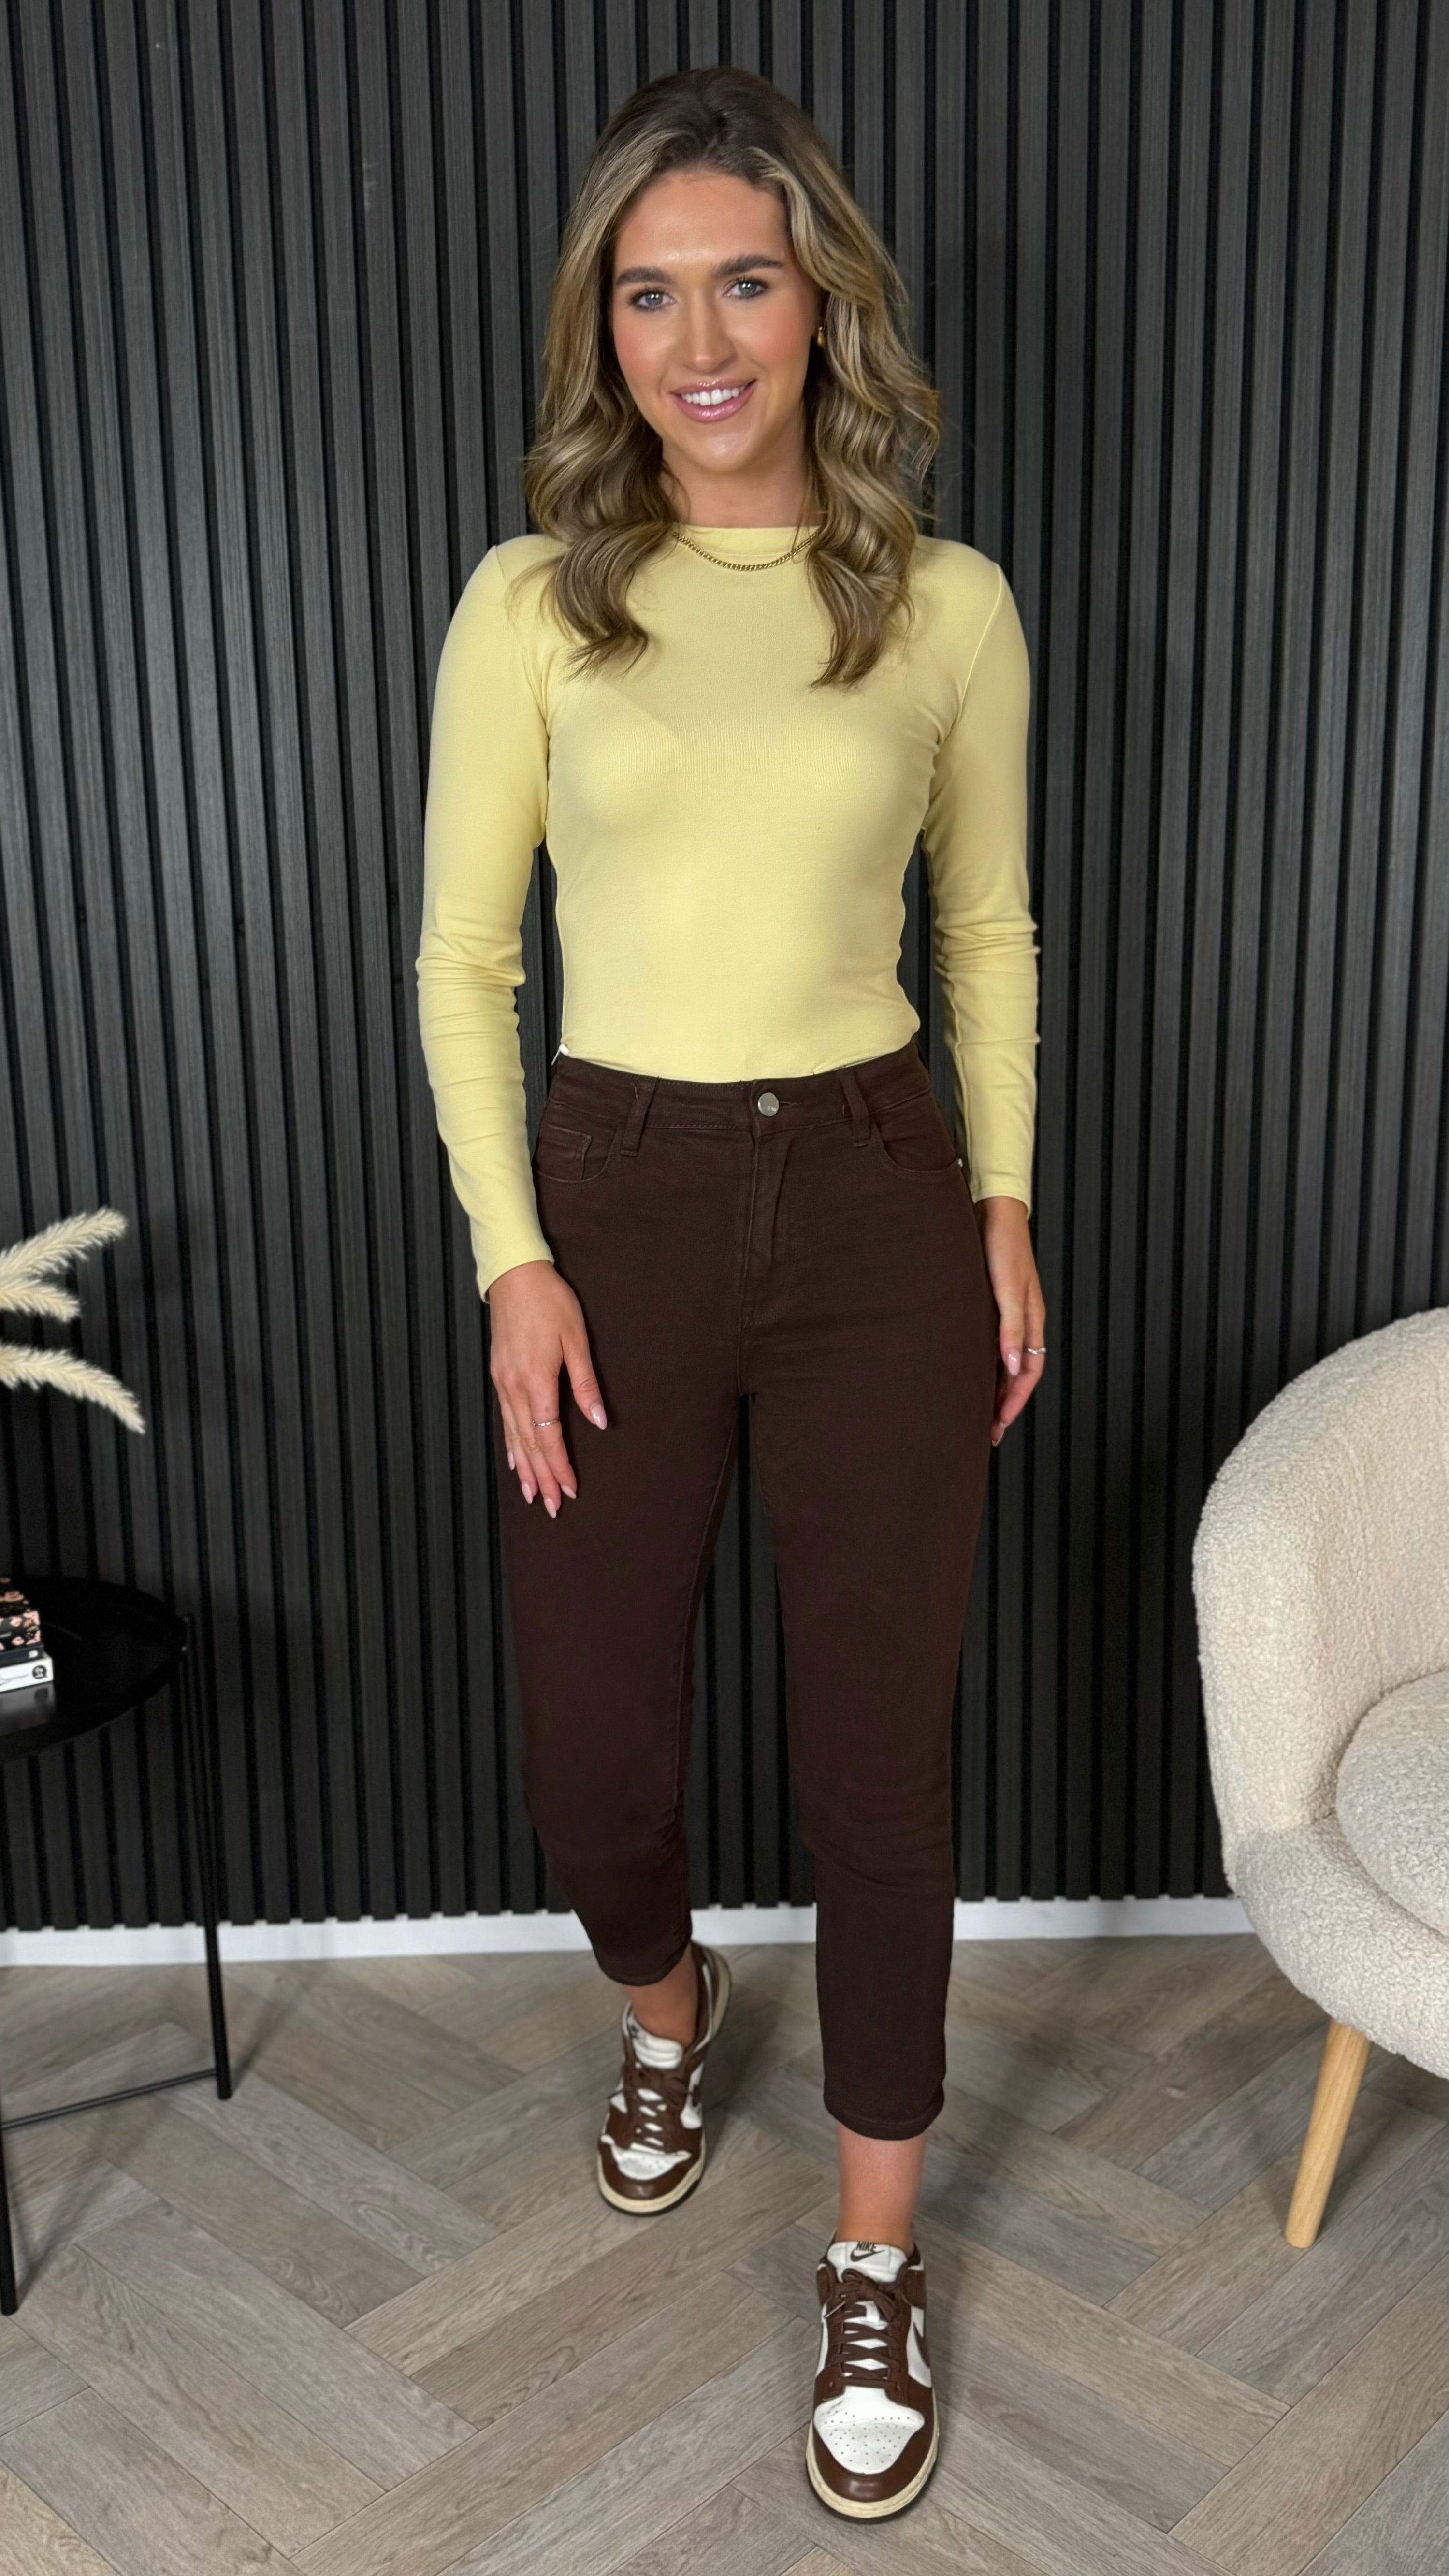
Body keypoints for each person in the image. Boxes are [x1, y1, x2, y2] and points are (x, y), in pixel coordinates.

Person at [416, 62, 1045, 2523]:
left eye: (745, 284)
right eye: (650, 292)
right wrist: (516, 1256)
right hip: (620, 1195)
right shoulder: (532, 603)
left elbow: (985, 930)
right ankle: (668, 2017)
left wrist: (1002, 1197)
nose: (699, 341)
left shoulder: (946, 605)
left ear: (821, 306)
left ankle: (876, 2252)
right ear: (605, 325)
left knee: (881, 1759)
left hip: (881, 1191)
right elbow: (468, 962)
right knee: (596, 1746)